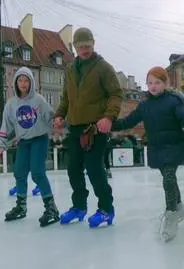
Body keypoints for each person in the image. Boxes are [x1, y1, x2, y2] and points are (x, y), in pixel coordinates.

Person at [111, 66, 184, 242]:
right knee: (169, 178)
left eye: (157, 82)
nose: (153, 86)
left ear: (165, 83)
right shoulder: (144, 105)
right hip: (157, 148)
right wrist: (109, 124)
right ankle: (179, 208)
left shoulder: (174, 101)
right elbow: (128, 121)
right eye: (150, 82)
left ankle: (171, 214)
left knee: (169, 179)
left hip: (173, 146)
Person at [53, 27, 123, 228]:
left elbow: (116, 94)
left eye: (87, 45)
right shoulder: (70, 69)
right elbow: (66, 97)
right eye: (80, 46)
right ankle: (79, 207)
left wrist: (109, 117)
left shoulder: (103, 68)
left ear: (93, 44)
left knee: (94, 169)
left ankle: (106, 209)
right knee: (73, 169)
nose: (84, 49)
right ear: (74, 47)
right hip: (75, 127)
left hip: (95, 128)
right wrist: (59, 114)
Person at [0, 66, 60, 227]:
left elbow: (50, 117)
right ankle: (21, 207)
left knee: (37, 172)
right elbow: (6, 126)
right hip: (23, 142)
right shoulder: (11, 105)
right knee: (19, 172)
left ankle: (51, 208)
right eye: (20, 80)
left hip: (39, 139)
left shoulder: (38, 100)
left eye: (26, 80)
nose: (23, 84)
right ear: (15, 83)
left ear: (31, 82)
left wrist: (58, 124)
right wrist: (1, 145)